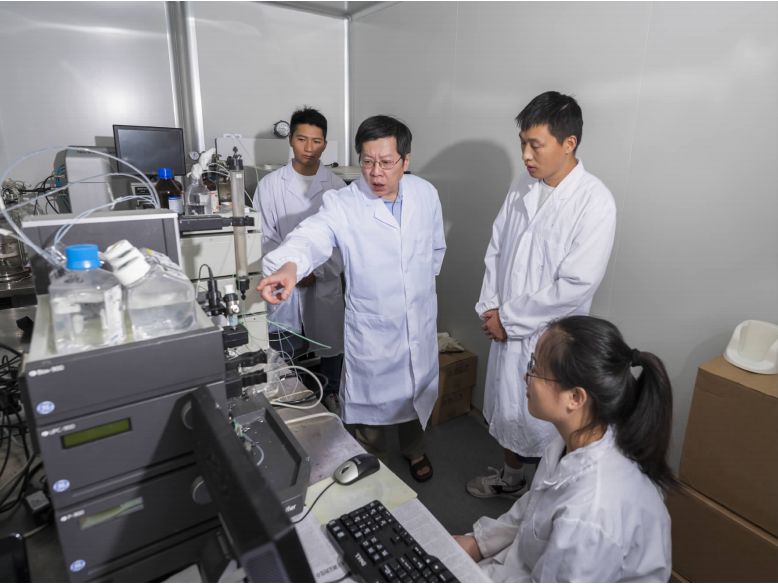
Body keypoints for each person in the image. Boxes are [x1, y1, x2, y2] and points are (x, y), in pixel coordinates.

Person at [257, 115, 446, 482]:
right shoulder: (343, 202)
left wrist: (414, 287)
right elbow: (312, 236)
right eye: (367, 161)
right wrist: (289, 266)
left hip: (419, 320)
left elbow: (436, 248)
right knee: (371, 415)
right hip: (374, 330)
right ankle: (371, 461)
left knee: (416, 395)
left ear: (406, 160)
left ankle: (414, 449)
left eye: (386, 162)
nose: (375, 172)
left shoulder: (425, 194)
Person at [468, 91, 617, 499]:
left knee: (549, 424)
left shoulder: (594, 201)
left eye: (536, 145)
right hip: (505, 327)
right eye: (523, 144)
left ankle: (544, 499)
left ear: (569, 143)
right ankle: (510, 478)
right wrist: (490, 309)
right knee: (509, 409)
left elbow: (576, 284)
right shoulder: (523, 186)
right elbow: (497, 247)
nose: (526, 156)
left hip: (551, 337)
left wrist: (509, 319)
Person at [454, 315, 675, 582]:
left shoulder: (590, 512)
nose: (526, 376)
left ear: (575, 397)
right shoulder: (575, 439)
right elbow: (533, 508)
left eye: (535, 367)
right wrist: (478, 543)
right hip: (523, 564)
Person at [253, 107, 346, 414]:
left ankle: (331, 392)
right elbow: (265, 237)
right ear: (291, 139)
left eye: (316, 141)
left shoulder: (337, 187)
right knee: (284, 345)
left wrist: (315, 272)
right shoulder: (270, 185)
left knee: (331, 344)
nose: (309, 148)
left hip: (324, 281)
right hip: (284, 283)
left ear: (325, 144)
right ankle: (289, 396)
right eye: (302, 139)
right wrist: (290, 269)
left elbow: (343, 242)